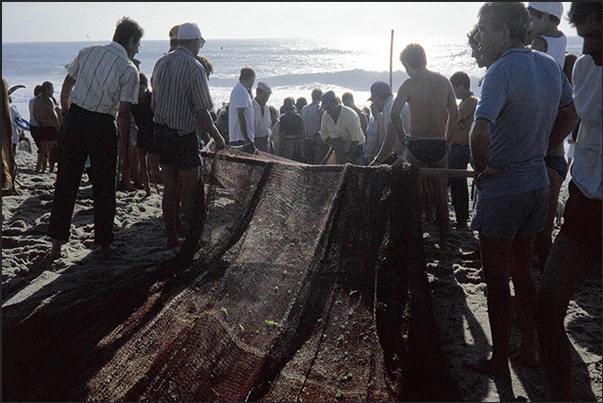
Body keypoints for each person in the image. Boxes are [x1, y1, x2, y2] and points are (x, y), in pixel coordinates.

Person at [469, 2, 577, 380]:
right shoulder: (548, 65)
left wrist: (482, 168)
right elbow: (571, 111)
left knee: (497, 281)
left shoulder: (499, 71)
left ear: (501, 32)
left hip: (504, 188)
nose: (480, 36)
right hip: (536, 184)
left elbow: (480, 130)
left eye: (483, 29)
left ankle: (500, 357)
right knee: (524, 273)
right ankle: (528, 347)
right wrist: (546, 146)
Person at [535, 3, 601, 401]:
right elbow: (574, 119)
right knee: (547, 310)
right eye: (584, 36)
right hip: (582, 204)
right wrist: (535, 153)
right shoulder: (584, 68)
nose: (589, 46)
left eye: (598, 35)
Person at [47, 16, 143, 259]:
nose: (138, 49)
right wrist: (124, 153)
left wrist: (67, 113)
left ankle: (56, 244)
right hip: (101, 123)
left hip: (76, 118)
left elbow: (67, 84)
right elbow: (123, 114)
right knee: (104, 186)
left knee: (66, 182)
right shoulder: (128, 68)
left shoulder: (88, 51)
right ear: (131, 41)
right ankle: (103, 243)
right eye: (138, 44)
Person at [151, 22, 225, 250]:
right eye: (200, 43)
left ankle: (172, 236)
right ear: (194, 42)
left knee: (170, 189)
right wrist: (218, 138)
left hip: (161, 134)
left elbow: (154, 104)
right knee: (192, 190)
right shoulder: (195, 68)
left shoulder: (160, 62)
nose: (199, 47)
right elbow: (203, 112)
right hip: (183, 137)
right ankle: (193, 240)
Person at [388, 43, 458, 249]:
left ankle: (418, 243)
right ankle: (444, 244)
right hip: (437, 143)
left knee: (416, 198)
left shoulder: (409, 85)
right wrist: (448, 139)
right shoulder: (444, 82)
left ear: (409, 64)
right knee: (441, 197)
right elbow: (454, 113)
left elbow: (393, 113)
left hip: (417, 144)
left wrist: (403, 137)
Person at [528, 2, 571, 272]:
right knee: (543, 229)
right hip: (554, 101)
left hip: (541, 103)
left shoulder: (538, 41)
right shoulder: (562, 37)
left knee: (536, 228)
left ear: (544, 17)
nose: (528, 22)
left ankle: (544, 270)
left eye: (531, 17)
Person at [448, 71, 477, 230]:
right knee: (454, 181)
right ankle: (460, 218)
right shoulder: (465, 102)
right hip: (458, 145)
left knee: (457, 181)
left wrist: (455, 123)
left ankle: (462, 220)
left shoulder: (470, 101)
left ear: (461, 86)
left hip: (462, 147)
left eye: (454, 89)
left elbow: (453, 119)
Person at [319, 90, 365, 165]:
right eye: (325, 109)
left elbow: (355, 140)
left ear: (335, 104)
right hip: (338, 148)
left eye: (329, 108)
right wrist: (335, 144)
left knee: (354, 171)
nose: (327, 111)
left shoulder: (350, 115)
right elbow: (324, 135)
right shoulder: (326, 115)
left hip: (355, 148)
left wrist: (347, 158)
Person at [32, 81, 61, 173]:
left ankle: (38, 167)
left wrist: (38, 122)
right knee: (52, 150)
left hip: (41, 126)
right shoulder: (48, 99)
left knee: (43, 149)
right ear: (47, 89)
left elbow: (34, 113)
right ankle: (51, 169)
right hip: (50, 127)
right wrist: (58, 128)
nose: (53, 91)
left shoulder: (37, 99)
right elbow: (53, 115)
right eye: (52, 89)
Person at [527, 2, 567, 66]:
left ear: (545, 17)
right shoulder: (563, 37)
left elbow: (531, 67)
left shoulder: (539, 42)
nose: (529, 25)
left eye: (531, 19)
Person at [228, 66, 255, 152]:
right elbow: (241, 115)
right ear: (251, 78)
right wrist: (247, 139)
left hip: (240, 138)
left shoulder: (241, 90)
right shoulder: (241, 90)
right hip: (240, 138)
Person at [301, 88, 325, 164]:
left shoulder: (304, 108)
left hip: (307, 139)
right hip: (316, 139)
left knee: (309, 161)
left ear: (312, 96)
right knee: (318, 161)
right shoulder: (319, 109)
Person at [278, 97, 305, 162]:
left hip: (288, 145)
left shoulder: (283, 118)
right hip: (298, 145)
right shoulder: (298, 116)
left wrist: (280, 149)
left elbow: (282, 135)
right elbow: (303, 132)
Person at [252, 81, 273, 153]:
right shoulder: (250, 107)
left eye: (268, 97)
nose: (266, 99)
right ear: (258, 92)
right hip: (255, 141)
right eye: (265, 96)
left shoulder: (266, 108)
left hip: (266, 140)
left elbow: (268, 125)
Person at [28, 85, 43, 154]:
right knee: (44, 148)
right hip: (40, 126)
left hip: (32, 126)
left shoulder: (31, 101)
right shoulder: (41, 100)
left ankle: (40, 163)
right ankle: (42, 164)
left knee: (40, 147)